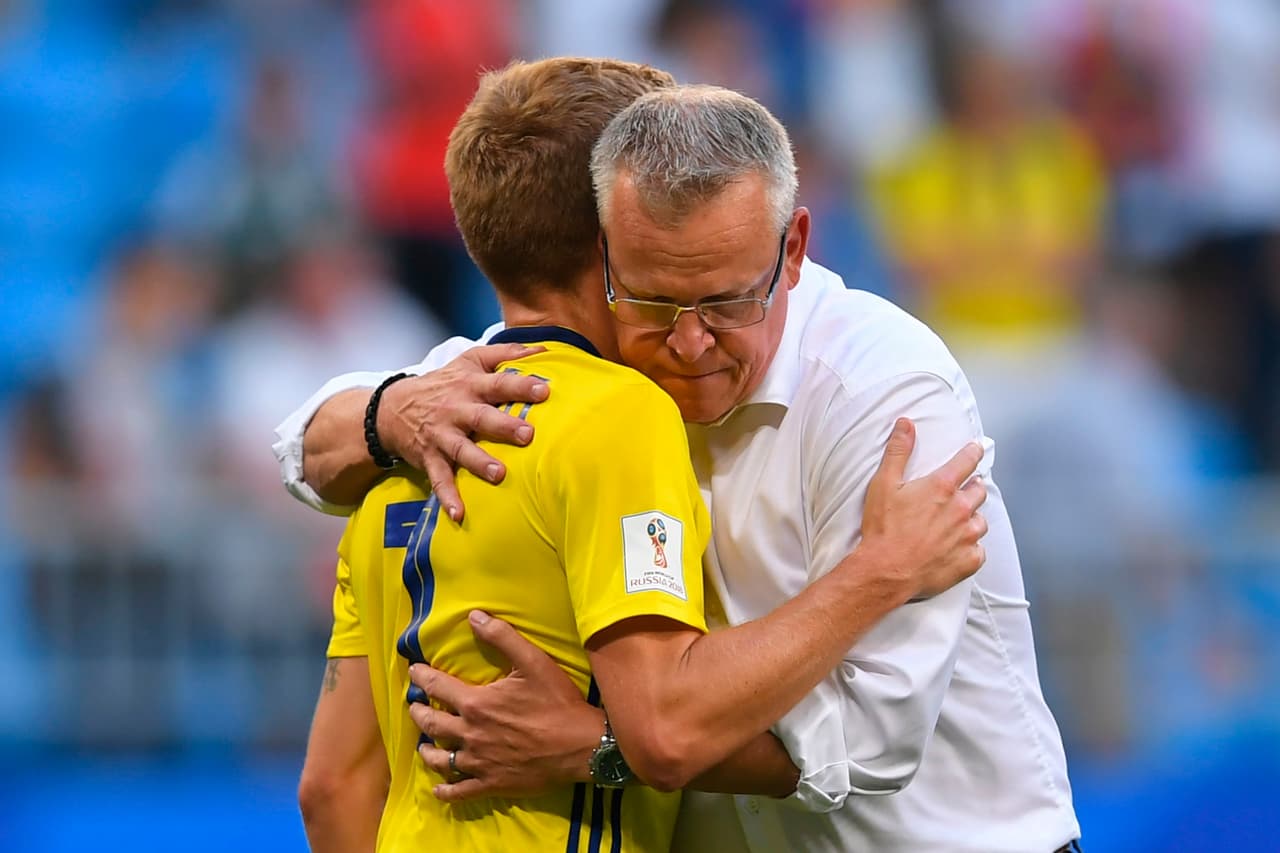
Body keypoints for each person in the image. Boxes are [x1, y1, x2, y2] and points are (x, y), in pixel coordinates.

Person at [295, 59, 988, 853]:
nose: (690, 338)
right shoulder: (594, 414)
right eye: (657, 294)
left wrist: (381, 417)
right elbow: (660, 729)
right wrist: (883, 568)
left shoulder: (416, 443)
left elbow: (330, 786)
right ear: (610, 237)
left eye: (726, 299)